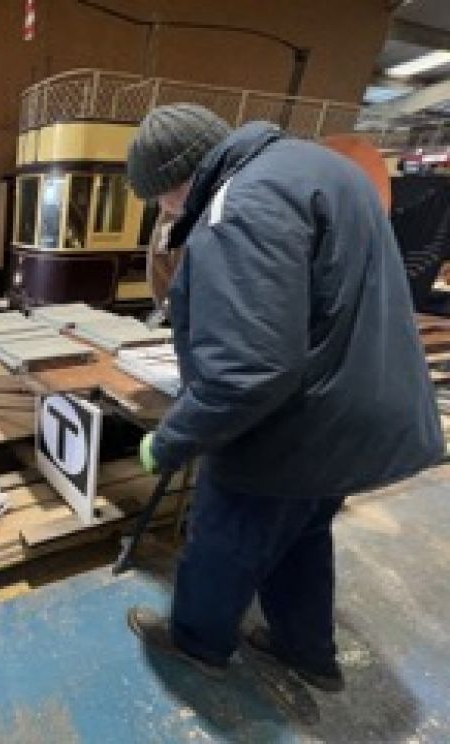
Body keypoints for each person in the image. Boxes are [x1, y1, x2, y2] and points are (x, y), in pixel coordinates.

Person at [123, 103, 445, 691]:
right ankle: (306, 651)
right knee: (301, 536)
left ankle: (197, 643)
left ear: (175, 183)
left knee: (224, 539)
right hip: (349, 413)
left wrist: (169, 441)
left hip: (292, 428)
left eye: (159, 201)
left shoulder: (236, 208)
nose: (164, 214)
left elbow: (247, 371)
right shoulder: (321, 169)